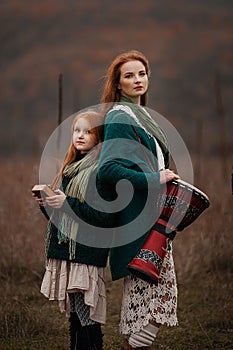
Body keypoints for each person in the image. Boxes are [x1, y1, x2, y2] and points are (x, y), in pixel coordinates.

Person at [97, 50, 180, 349]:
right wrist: (153, 179)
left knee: (154, 301)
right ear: (118, 85)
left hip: (154, 217)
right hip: (139, 221)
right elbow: (107, 168)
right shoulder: (120, 116)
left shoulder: (143, 116)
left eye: (142, 74)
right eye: (129, 76)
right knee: (157, 301)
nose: (137, 80)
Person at [33, 110, 110, 350]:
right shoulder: (71, 168)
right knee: (75, 312)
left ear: (98, 137)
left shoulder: (100, 170)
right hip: (69, 249)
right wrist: (49, 205)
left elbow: (102, 216)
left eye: (88, 131)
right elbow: (64, 215)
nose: (81, 136)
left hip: (87, 250)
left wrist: (67, 203)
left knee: (87, 312)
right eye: (77, 130)